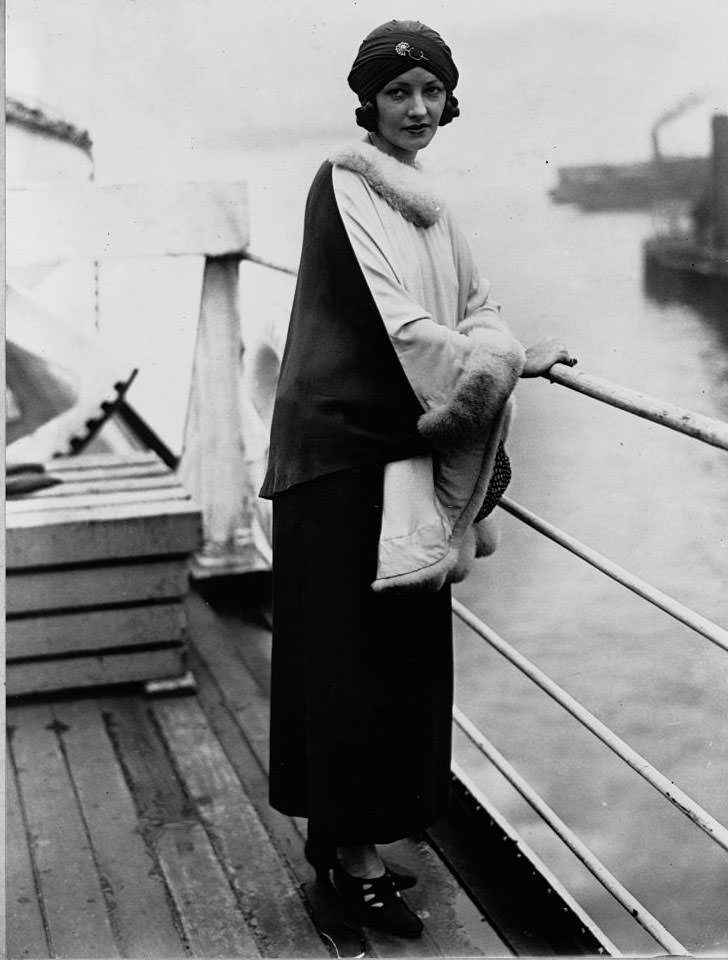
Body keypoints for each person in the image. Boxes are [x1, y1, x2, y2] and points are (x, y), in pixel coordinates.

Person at [259, 19, 575, 939]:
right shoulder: (348, 183)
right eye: (399, 92)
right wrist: (495, 370)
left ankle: (352, 840)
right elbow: (396, 324)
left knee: (393, 654)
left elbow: (474, 306)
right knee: (351, 661)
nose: (418, 108)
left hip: (389, 443)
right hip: (341, 454)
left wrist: (508, 352)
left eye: (432, 91)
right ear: (368, 101)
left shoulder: (425, 198)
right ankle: (346, 862)